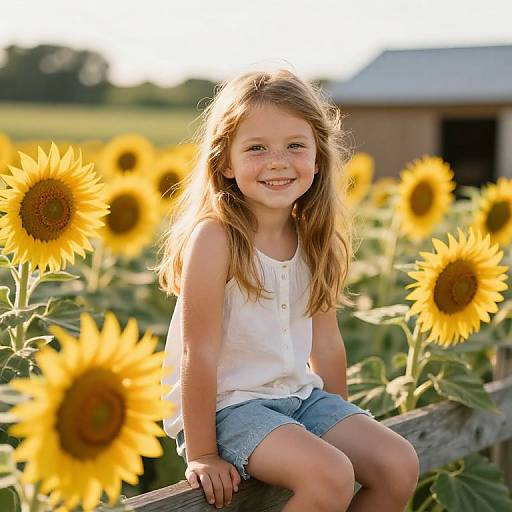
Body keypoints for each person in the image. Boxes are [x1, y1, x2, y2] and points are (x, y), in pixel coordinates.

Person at [155, 68, 420, 511]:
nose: (278, 161)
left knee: (398, 463)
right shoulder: (216, 239)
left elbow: (328, 345)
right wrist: (202, 453)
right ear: (225, 161)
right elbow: (196, 353)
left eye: (295, 146)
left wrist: (338, 423)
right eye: (256, 148)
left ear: (318, 157)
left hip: (299, 397)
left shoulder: (313, 238)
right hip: (228, 409)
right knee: (331, 475)